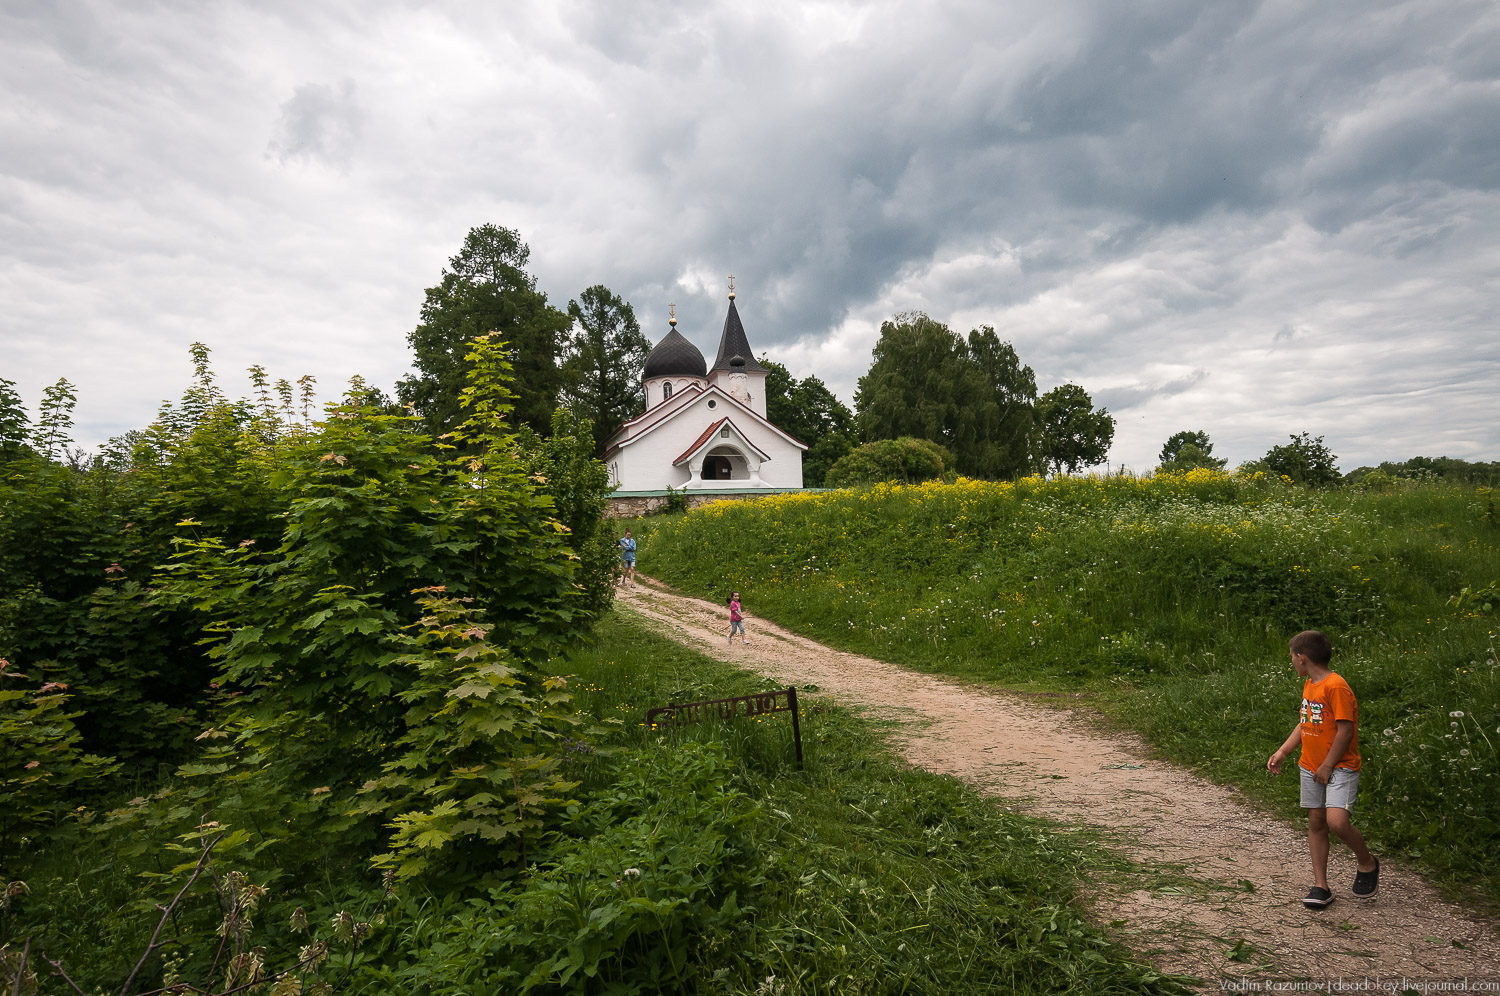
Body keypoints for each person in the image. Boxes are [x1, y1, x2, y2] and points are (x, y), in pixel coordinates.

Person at [1267, 629, 1379, 909]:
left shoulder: (1336, 686)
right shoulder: (1310, 685)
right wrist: (1284, 750)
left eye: (1292, 657)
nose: (1291, 661)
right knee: (1316, 822)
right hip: (1310, 766)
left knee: (1337, 822)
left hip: (1339, 767)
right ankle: (1321, 885)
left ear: (1301, 658)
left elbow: (1345, 730)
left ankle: (1366, 862)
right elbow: (1306, 723)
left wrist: (1328, 765)